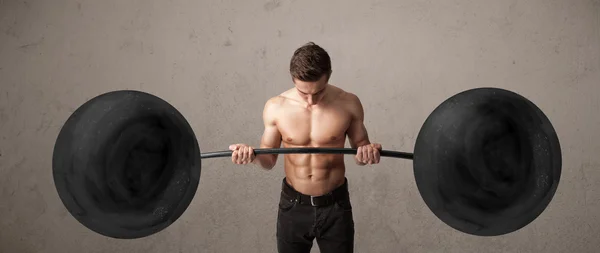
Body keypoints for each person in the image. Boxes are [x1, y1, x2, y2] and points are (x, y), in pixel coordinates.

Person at [228, 42, 382, 253]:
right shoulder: (276, 107)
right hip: (293, 206)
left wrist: (367, 153)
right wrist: (251, 156)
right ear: (293, 79)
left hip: (335, 206)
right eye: (303, 92)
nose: (310, 100)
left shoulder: (348, 103)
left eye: (317, 92)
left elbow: (360, 151)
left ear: (329, 76)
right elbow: (268, 161)